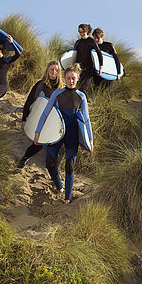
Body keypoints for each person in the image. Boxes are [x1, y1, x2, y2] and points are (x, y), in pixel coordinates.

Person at [34, 63, 93, 203]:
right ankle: (59, 185)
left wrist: (90, 140)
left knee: (70, 165)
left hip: (72, 135)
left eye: (73, 78)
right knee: (50, 162)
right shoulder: (57, 93)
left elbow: (86, 119)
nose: (70, 81)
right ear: (64, 78)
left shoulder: (81, 96)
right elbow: (45, 113)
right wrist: (37, 132)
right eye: (68, 78)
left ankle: (67, 197)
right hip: (57, 132)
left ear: (78, 79)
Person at [17, 60, 64, 168]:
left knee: (53, 145)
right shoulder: (40, 85)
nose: (54, 72)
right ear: (47, 70)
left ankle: (53, 172)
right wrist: (24, 118)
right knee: (37, 144)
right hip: (39, 119)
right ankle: (24, 159)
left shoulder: (61, 88)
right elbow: (29, 101)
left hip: (52, 121)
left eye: (56, 70)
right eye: (52, 69)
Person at [73, 23, 103, 95]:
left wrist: (101, 67)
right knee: (78, 88)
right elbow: (73, 55)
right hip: (79, 68)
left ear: (86, 31)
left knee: (84, 88)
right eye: (79, 32)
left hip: (89, 69)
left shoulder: (91, 41)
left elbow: (99, 54)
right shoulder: (78, 42)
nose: (81, 34)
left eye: (83, 32)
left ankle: (85, 104)